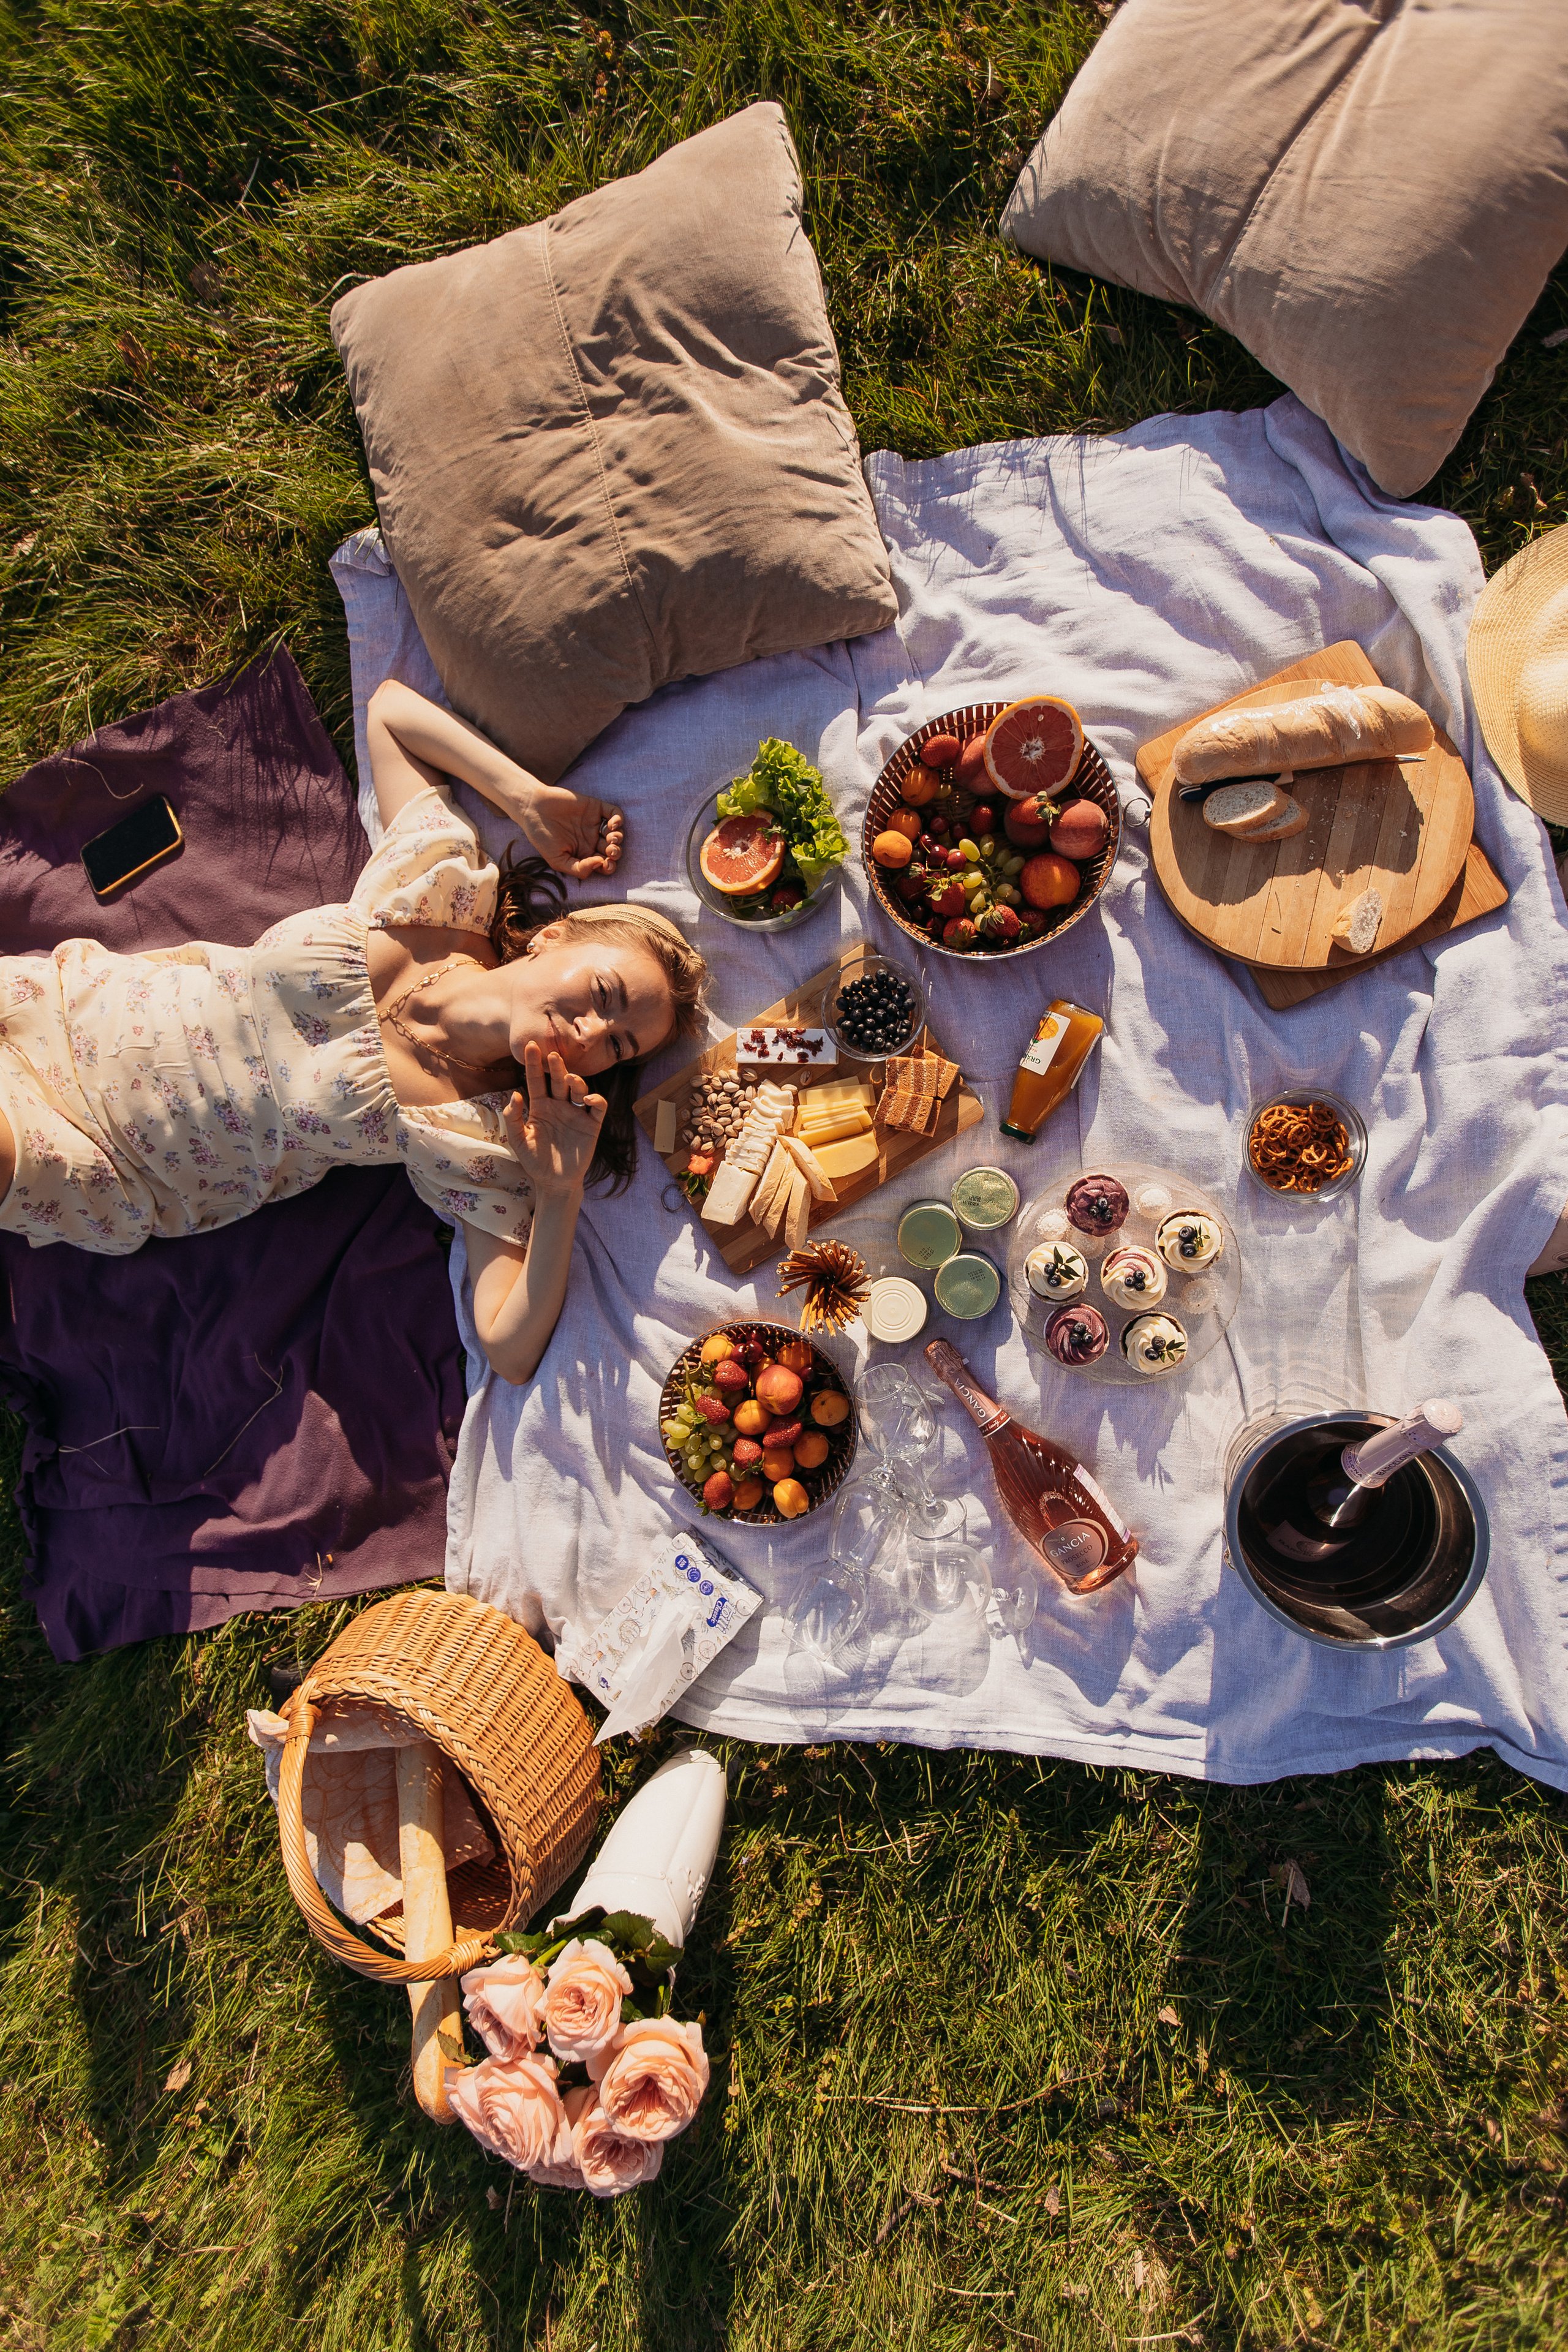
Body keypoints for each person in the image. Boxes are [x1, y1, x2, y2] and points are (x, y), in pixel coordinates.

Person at [0, 680, 707, 1382]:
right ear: (553, 938)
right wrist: (527, 801)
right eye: (605, 994)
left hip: (102, 1155)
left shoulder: (476, 1135)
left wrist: (559, 1195)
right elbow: (393, 713)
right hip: (67, 1006)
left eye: (616, 1046)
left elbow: (509, 1348)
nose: (590, 1031)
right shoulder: (442, 893)